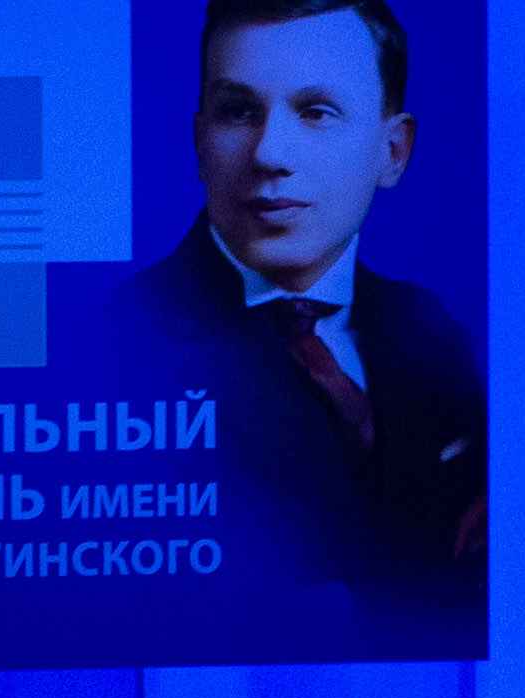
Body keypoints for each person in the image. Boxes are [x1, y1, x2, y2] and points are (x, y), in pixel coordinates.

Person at [115, 0, 483, 653]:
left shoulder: (432, 333)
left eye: (315, 112)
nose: (270, 154)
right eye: (238, 111)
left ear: (393, 151)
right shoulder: (119, 340)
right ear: (199, 141)